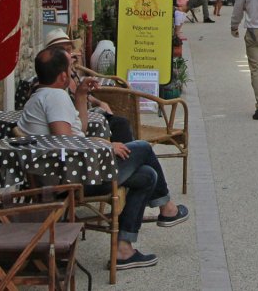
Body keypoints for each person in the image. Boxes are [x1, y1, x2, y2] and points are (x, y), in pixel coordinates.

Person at [18, 47, 188, 271]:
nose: (73, 72)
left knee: (147, 175)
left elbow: (79, 131)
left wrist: (80, 96)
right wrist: (106, 145)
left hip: (70, 173)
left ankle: (124, 249)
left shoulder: (42, 95)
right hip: (73, 180)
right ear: (62, 76)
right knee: (143, 148)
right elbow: (66, 143)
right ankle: (167, 208)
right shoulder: (54, 97)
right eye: (71, 69)